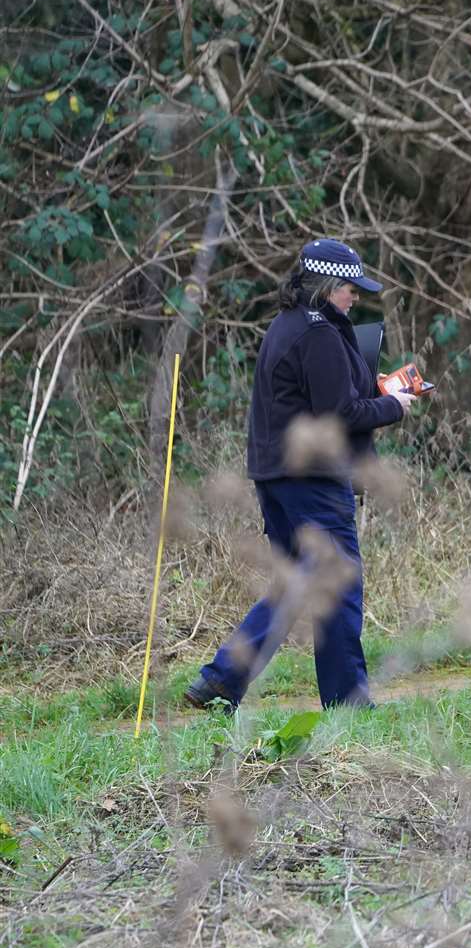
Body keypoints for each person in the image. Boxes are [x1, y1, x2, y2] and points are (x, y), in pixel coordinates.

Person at [184, 239, 414, 711]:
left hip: (275, 476)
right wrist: (394, 405)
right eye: (351, 288)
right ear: (329, 285)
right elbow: (339, 413)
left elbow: (324, 396)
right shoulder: (320, 334)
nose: (355, 296)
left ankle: (224, 682)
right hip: (311, 479)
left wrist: (377, 387)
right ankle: (346, 702)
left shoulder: (289, 325)